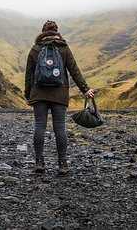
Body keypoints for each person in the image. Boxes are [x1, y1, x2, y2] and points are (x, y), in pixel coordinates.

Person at [25, 20, 95, 175]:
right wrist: (85, 89)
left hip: (39, 94)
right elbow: (74, 70)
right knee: (60, 128)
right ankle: (62, 164)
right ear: (57, 31)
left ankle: (39, 163)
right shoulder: (63, 48)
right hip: (59, 94)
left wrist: (28, 94)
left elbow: (29, 75)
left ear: (42, 31)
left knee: (39, 126)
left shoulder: (35, 49)